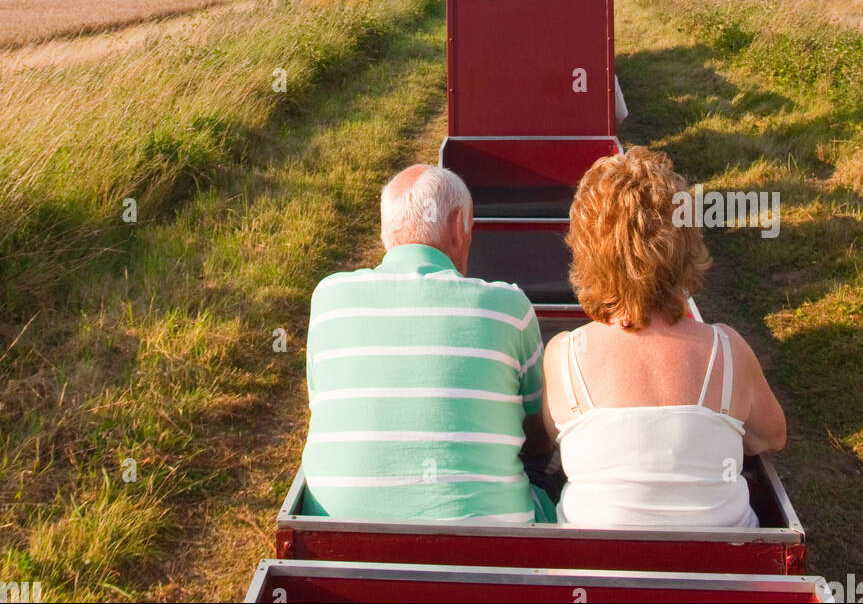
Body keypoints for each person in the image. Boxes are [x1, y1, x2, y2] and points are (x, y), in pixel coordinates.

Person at [542, 146, 786, 528]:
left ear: (585, 250)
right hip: (723, 574)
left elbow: (553, 437)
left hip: (595, 577)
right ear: (685, 243)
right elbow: (770, 438)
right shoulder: (727, 350)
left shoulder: (564, 356)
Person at [300, 164, 556, 523]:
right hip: (497, 544)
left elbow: (321, 401)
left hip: (334, 537)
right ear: (458, 225)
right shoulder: (509, 307)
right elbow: (537, 432)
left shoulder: (328, 297)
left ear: (385, 229)